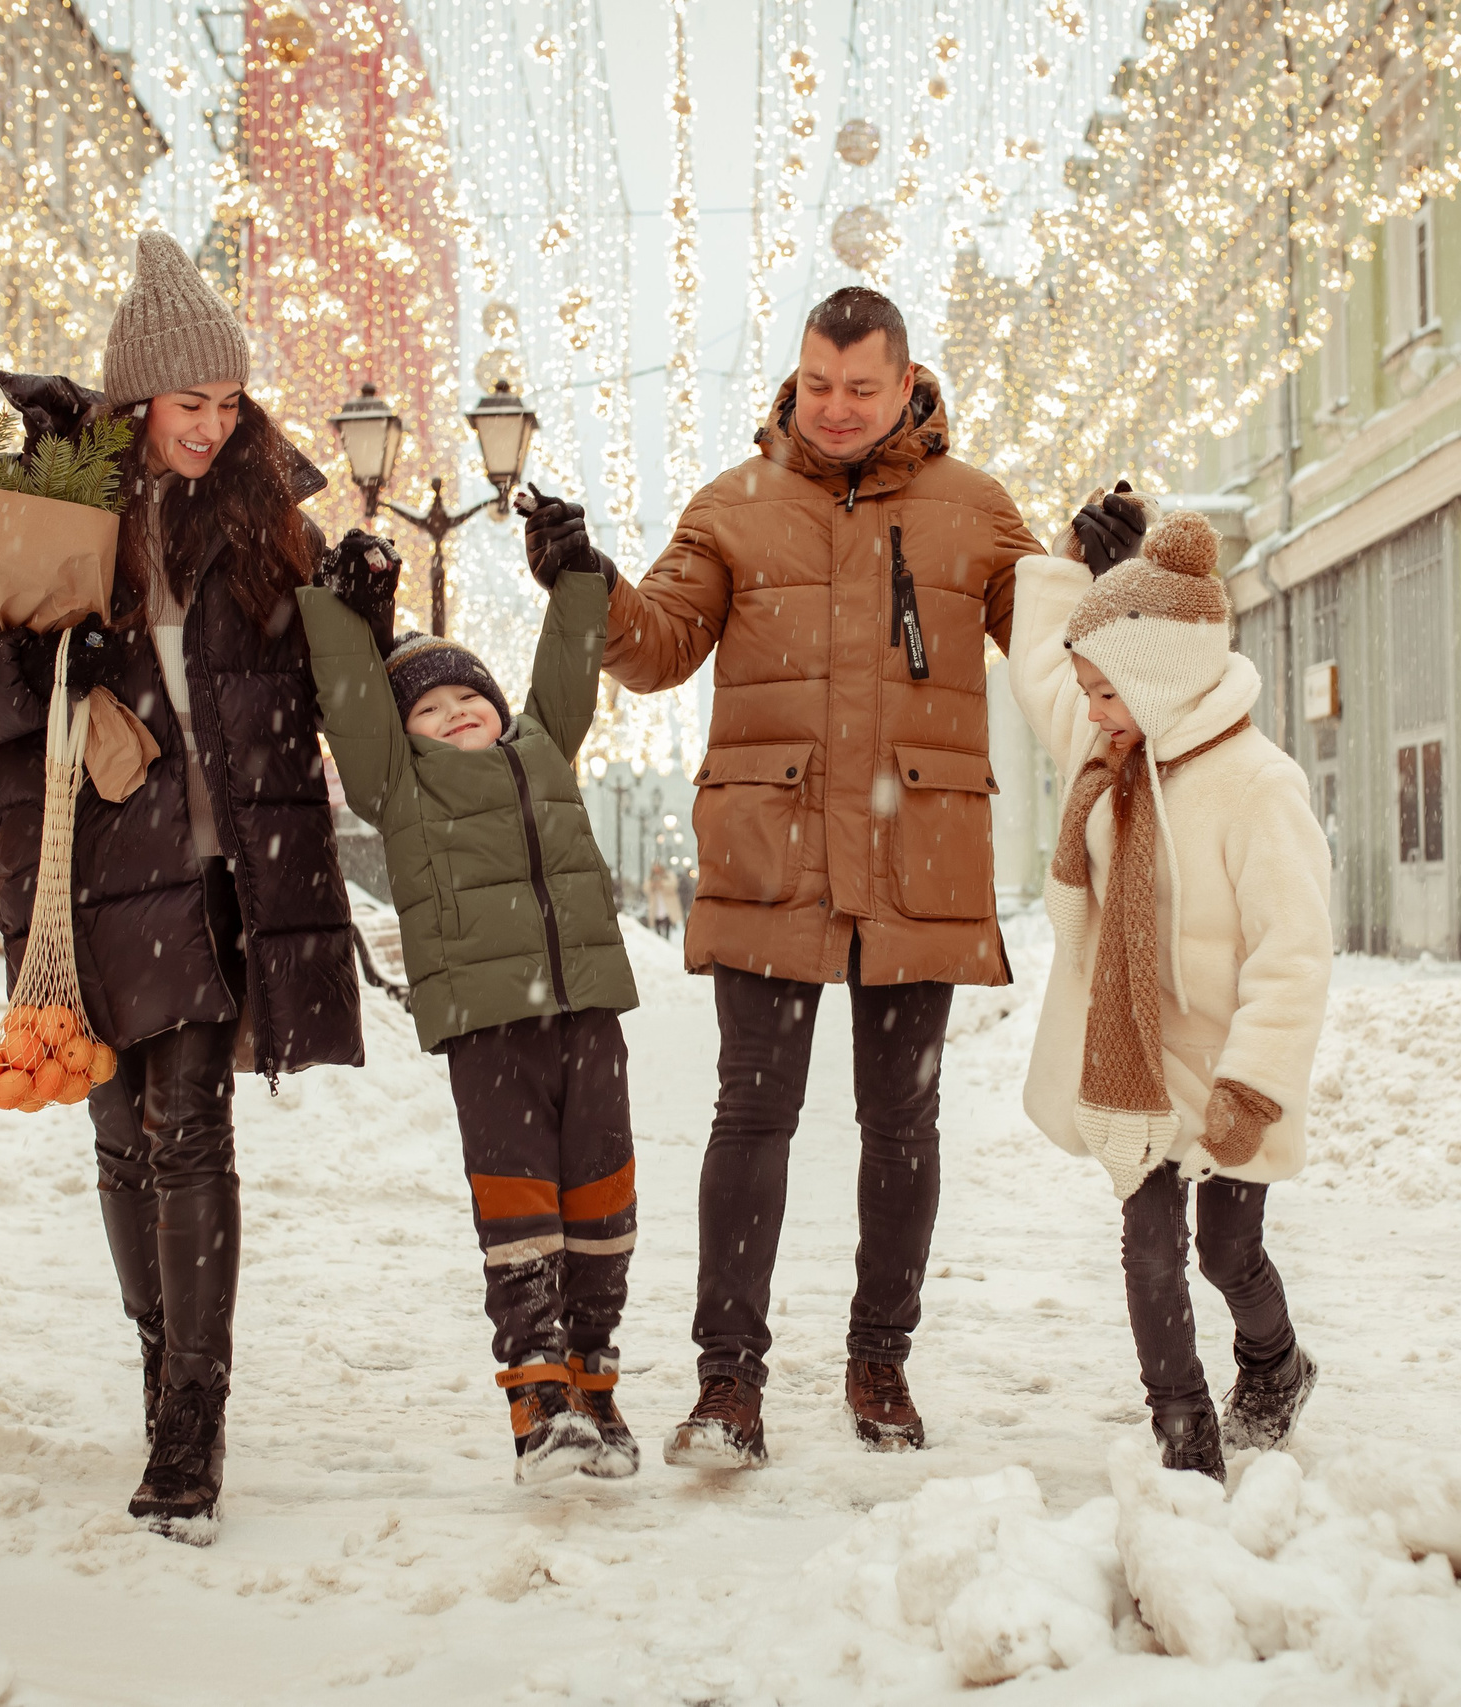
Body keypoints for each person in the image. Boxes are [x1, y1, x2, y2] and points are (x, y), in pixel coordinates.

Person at [520, 286, 1043, 1467]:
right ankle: (725, 1386)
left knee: (900, 1119)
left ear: (909, 384)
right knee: (751, 1113)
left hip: (917, 852)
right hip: (775, 852)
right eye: (818, 385)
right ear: (793, 378)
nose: (837, 409)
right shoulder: (736, 505)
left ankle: (880, 1361)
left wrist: (1113, 580)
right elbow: (654, 649)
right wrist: (586, 581)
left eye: (862, 389)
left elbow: (1060, 651)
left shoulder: (975, 513)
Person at [0, 231, 363, 1543]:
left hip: (219, 876)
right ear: (134, 399)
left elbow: (335, 682)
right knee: (119, 1144)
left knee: (190, 1128)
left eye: (228, 403)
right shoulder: (54, 510)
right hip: (81, 874)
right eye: (187, 403)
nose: (211, 429)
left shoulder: (271, 528)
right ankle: (163, 1368)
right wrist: (49, 656)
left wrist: (372, 618)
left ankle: (191, 1421)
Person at [299, 533, 642, 1485]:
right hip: (490, 1031)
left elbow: (565, 671)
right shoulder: (397, 787)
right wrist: (338, 616)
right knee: (521, 1211)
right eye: (431, 707)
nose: (455, 714)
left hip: (588, 1013)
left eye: (470, 698)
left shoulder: (545, 748)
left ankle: (594, 1378)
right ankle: (539, 1398)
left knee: (604, 1207)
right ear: (402, 731)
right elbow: (356, 711)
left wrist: (576, 573)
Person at [1010, 499, 1331, 1484]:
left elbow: (1294, 951)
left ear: (1155, 682)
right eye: (1088, 692)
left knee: (1226, 1255)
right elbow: (1040, 683)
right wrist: (1076, 575)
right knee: (1148, 1249)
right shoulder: (1118, 766)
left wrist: (1253, 1085)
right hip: (1140, 1063)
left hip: (1226, 1068)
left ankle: (1274, 1366)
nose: (1091, 712)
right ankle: (1181, 1426)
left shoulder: (1255, 787)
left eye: (1105, 693)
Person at [645, 862, 679, 940]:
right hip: (656, 902)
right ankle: (659, 937)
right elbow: (646, 887)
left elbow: (673, 885)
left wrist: (662, 884)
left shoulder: (668, 875)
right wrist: (653, 885)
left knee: (667, 918)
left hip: (667, 902)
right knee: (657, 919)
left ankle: (667, 937)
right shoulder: (651, 877)